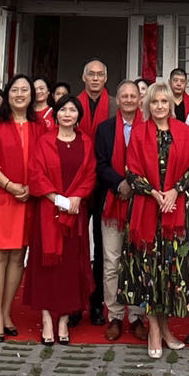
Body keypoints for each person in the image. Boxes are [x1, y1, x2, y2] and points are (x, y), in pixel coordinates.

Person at [121, 81, 189, 359]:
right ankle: (154, 329)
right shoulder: (139, 132)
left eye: (164, 101)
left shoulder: (183, 131)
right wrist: (155, 193)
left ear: (171, 104)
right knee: (149, 273)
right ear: (147, 105)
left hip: (174, 210)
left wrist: (175, 191)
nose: (159, 106)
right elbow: (131, 172)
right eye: (154, 102)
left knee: (170, 273)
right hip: (146, 210)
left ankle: (166, 328)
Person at [27, 93, 98, 343]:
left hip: (75, 213)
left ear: (79, 116)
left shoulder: (86, 142)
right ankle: (47, 317)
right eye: (63, 110)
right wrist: (56, 198)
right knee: (47, 266)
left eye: (72, 110)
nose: (67, 114)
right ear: (56, 114)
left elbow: (90, 174)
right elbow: (36, 174)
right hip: (49, 212)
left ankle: (65, 319)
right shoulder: (45, 141)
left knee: (71, 266)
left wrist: (77, 196)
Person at [0, 74, 40, 339]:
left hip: (28, 198)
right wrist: (10, 185)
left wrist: (31, 187)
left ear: (31, 95)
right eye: (15, 90)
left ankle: (6, 311)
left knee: (18, 256)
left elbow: (45, 159)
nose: (20, 94)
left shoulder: (40, 126)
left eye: (25, 90)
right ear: (7, 95)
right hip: (0, 197)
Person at [95, 80, 146, 340]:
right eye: (123, 96)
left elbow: (151, 163)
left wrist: (134, 185)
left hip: (142, 204)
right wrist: (119, 184)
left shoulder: (148, 127)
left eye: (132, 96)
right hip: (113, 202)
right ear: (117, 100)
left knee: (138, 262)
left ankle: (137, 316)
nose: (128, 100)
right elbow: (100, 164)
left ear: (139, 100)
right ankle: (114, 315)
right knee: (112, 262)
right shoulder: (104, 129)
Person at [76, 59, 114, 322]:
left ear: (106, 78)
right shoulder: (73, 105)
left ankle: (97, 302)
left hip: (104, 184)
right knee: (76, 245)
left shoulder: (114, 105)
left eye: (100, 74)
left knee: (102, 247)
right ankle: (74, 304)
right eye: (91, 74)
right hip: (77, 183)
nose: (96, 78)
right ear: (84, 77)